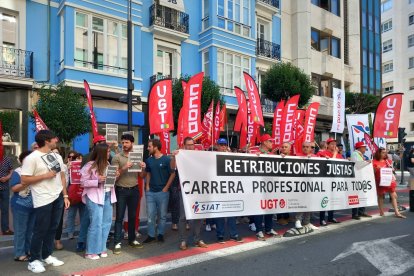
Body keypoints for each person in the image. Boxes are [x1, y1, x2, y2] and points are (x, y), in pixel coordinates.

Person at [21, 130, 70, 273]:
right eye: (53, 139)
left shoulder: (56, 156)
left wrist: (65, 196)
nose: (56, 140)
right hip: (42, 198)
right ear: (47, 141)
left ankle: (47, 255)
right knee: (40, 230)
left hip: (58, 197)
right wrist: (45, 175)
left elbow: (62, 177)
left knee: (53, 228)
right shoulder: (32, 158)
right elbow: (24, 179)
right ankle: (34, 260)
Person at [80, 143, 118, 259]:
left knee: (107, 223)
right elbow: (82, 182)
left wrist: (115, 176)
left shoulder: (108, 164)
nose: (109, 154)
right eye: (107, 152)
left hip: (107, 195)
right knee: (96, 224)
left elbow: (110, 181)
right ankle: (90, 251)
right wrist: (97, 181)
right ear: (101, 153)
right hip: (94, 197)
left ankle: (102, 248)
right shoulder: (89, 166)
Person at [173, 137, 208, 250]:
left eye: (192, 144)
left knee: (198, 216)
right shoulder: (179, 155)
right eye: (188, 145)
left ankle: (197, 239)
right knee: (183, 217)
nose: (190, 147)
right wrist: (174, 156)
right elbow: (172, 167)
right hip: (184, 191)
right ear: (184, 145)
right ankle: (183, 240)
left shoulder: (198, 156)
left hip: (197, 190)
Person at [112, 134, 143, 254]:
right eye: (123, 142)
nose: (124, 145)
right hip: (121, 190)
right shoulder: (117, 157)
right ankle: (117, 242)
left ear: (132, 143)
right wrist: (124, 167)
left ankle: (132, 240)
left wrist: (143, 167)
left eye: (126, 143)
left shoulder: (137, 157)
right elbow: (114, 175)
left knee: (132, 216)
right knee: (119, 218)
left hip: (134, 189)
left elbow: (141, 176)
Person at [140, 139, 175, 243]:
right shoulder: (148, 160)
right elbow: (148, 173)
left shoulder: (167, 160)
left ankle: (160, 234)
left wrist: (166, 188)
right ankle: (151, 235)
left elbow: (172, 174)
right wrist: (147, 186)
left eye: (149, 146)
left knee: (162, 215)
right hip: (150, 192)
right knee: (150, 214)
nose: (148, 148)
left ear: (155, 147)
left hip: (163, 192)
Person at [250, 134, 280, 240]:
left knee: (269, 207)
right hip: (258, 185)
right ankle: (259, 230)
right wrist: (253, 157)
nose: (272, 143)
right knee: (259, 208)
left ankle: (269, 228)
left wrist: (283, 158)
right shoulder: (253, 152)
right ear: (264, 142)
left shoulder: (271, 154)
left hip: (270, 185)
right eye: (270, 141)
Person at [214, 138, 244, 244]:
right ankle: (220, 235)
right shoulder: (211, 156)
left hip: (230, 190)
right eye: (220, 145)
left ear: (227, 146)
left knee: (231, 213)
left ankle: (234, 234)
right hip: (217, 190)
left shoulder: (232, 157)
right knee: (220, 214)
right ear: (217, 146)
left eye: (224, 145)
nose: (222, 147)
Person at [10, 150, 34, 262]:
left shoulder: (36, 172)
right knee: (20, 230)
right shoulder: (18, 172)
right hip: (20, 204)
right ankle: (19, 253)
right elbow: (14, 188)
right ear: (21, 160)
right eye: (26, 158)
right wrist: (26, 182)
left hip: (34, 205)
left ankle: (28, 250)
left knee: (30, 230)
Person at [372, 148, 406, 218]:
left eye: (385, 152)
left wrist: (392, 169)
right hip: (379, 181)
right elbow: (371, 173)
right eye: (383, 152)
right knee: (381, 196)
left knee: (393, 196)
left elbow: (392, 169)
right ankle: (381, 212)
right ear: (379, 153)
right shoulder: (374, 162)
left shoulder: (388, 161)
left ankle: (397, 212)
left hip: (389, 181)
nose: (385, 154)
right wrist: (375, 169)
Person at [317, 137, 343, 226]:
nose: (334, 145)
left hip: (335, 180)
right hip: (325, 180)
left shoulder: (339, 155)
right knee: (324, 199)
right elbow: (332, 163)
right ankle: (322, 219)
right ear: (327, 145)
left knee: (333, 199)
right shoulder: (322, 153)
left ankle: (331, 217)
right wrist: (335, 154)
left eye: (335, 144)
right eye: (331, 144)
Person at [294, 141, 319, 230]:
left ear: (311, 148)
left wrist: (327, 159)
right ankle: (298, 220)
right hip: (300, 184)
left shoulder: (315, 157)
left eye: (307, 147)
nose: (305, 148)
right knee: (301, 202)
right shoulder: (297, 155)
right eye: (303, 146)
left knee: (309, 203)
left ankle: (307, 222)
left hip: (311, 184)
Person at [350, 142, 372, 220]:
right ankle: (355, 213)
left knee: (362, 194)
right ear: (359, 148)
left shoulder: (360, 155)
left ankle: (361, 211)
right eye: (363, 147)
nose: (365, 148)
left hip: (361, 177)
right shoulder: (355, 154)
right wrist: (367, 162)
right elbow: (357, 165)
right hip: (357, 178)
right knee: (356, 195)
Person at [276, 142, 292, 226]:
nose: (284, 148)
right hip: (280, 182)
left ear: (290, 149)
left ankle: (286, 216)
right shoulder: (278, 157)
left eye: (286, 147)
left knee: (287, 199)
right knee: (280, 200)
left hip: (288, 183)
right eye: (282, 147)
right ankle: (279, 218)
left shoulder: (293, 157)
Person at [0, 153, 13, 235]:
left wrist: (7, 177)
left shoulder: (6, 159)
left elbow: (11, 170)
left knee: (5, 209)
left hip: (4, 188)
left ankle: (5, 229)